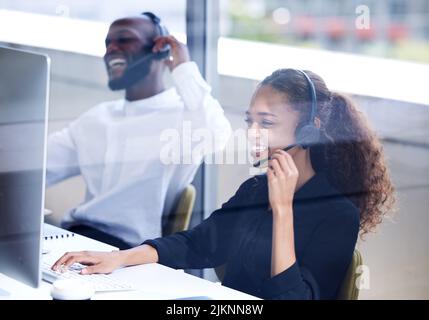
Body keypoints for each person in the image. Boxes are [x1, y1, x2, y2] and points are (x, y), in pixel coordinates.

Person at [52, 69, 395, 300]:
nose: (252, 133)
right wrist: (120, 258)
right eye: (250, 121)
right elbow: (197, 243)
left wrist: (284, 211)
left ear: (309, 129)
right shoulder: (255, 190)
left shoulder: (338, 214)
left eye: (267, 122)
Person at [46, 13, 232, 249]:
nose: (111, 49)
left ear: (160, 51)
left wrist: (184, 68)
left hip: (130, 252)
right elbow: (39, 164)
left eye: (124, 40)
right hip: (74, 238)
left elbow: (218, 133)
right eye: (107, 43)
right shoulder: (97, 118)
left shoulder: (184, 116)